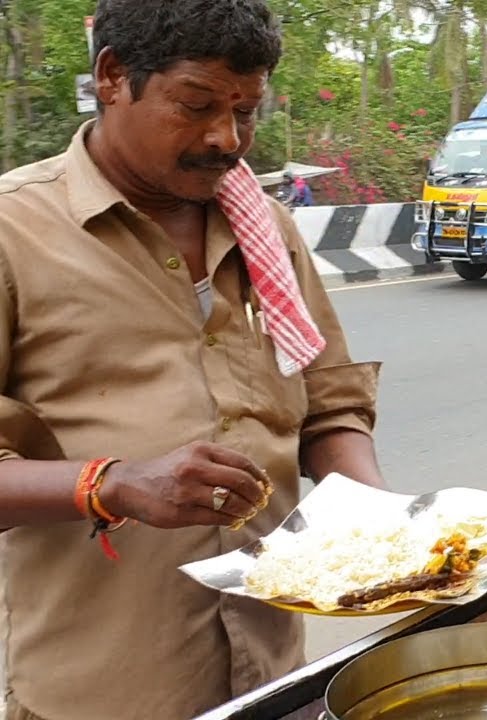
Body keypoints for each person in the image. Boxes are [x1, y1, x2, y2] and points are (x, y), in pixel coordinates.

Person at [0, 2, 384, 719]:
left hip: (274, 679)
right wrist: (111, 485)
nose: (226, 139)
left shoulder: (266, 228)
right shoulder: (13, 233)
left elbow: (329, 407)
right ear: (113, 76)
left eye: (247, 111)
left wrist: (387, 523)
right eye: (196, 105)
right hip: (101, 695)